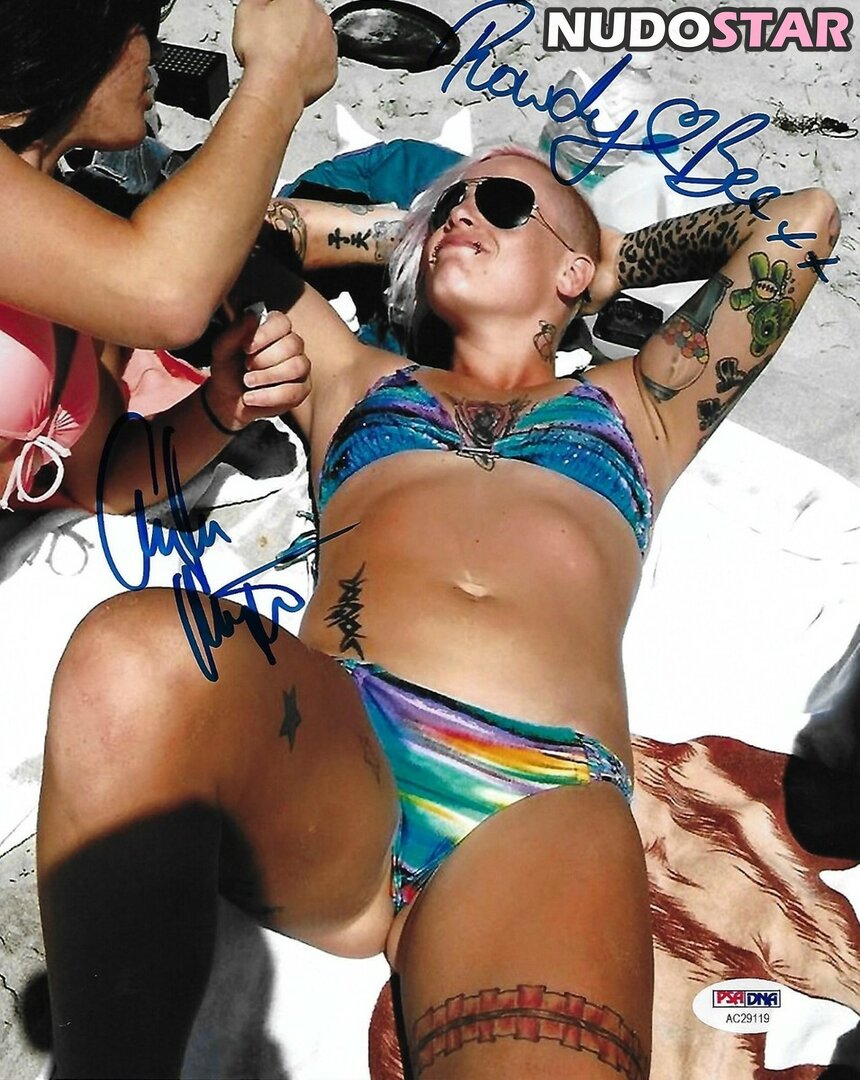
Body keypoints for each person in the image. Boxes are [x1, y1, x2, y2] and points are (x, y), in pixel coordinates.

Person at [38, 146, 839, 1078]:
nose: (462, 212)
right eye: (447, 204)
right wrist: (402, 234)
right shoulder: (351, 374)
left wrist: (623, 256)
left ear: (573, 273)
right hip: (333, 748)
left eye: (499, 200)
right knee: (132, 649)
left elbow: (803, 219)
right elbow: (214, 238)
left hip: (534, 794)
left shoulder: (644, 405)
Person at [0, 0, 336, 518]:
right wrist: (278, 76)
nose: (155, 52)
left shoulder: (70, 263)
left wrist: (223, 404)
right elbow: (166, 294)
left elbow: (106, 479)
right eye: (140, 25)